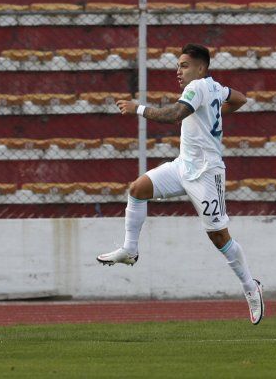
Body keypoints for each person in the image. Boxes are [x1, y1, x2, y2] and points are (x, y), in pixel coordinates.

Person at [96, 43, 264, 325]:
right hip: (183, 165)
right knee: (138, 189)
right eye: (178, 65)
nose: (178, 70)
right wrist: (216, 112)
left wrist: (138, 108)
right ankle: (130, 249)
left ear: (200, 68)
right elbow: (241, 99)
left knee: (219, 237)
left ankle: (250, 286)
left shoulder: (196, 87)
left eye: (184, 65)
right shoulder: (214, 87)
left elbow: (174, 115)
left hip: (207, 173)